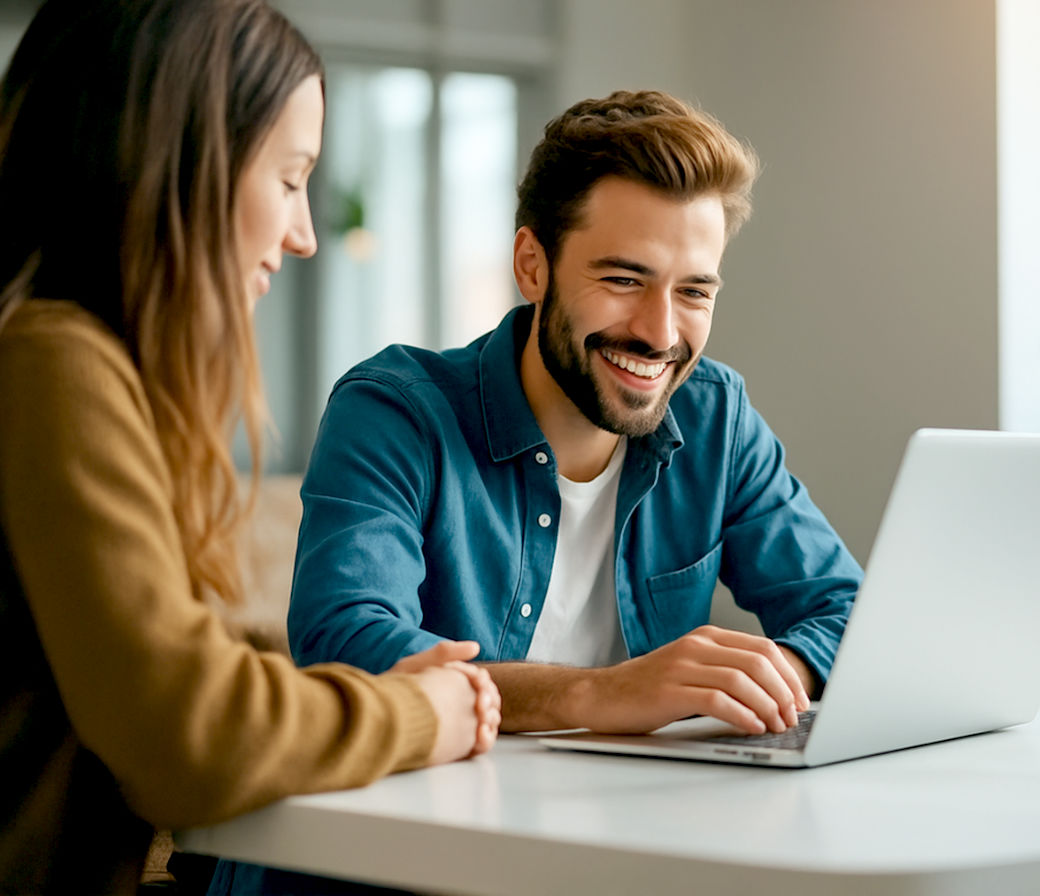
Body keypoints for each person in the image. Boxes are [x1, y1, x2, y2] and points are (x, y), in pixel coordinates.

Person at [0, 1, 500, 893]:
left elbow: (163, 675)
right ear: (184, 160)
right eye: (289, 177)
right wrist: (417, 714)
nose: (303, 234)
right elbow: (184, 735)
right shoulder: (51, 362)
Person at [290, 89, 862, 732]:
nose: (660, 334)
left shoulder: (715, 418)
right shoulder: (395, 413)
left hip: (659, 795)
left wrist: (762, 680)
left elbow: (851, 614)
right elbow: (344, 642)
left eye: (694, 292)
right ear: (532, 267)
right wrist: (596, 695)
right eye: (624, 280)